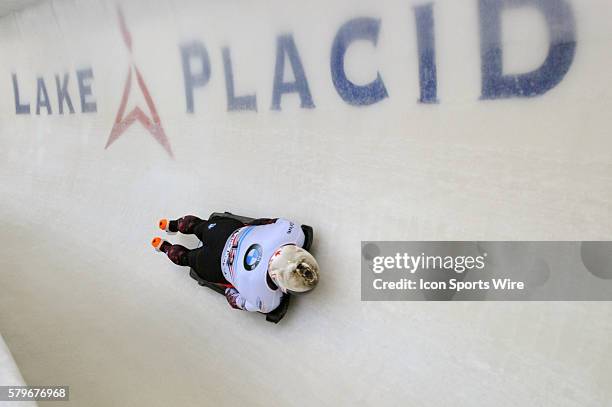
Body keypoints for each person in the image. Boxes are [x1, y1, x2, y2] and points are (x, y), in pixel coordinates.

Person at [151, 215, 319, 313]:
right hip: (214, 264)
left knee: (197, 225)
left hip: (225, 231)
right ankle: (165, 247)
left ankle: (172, 225)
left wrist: (247, 230)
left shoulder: (293, 232)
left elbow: (262, 222)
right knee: (186, 257)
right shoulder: (266, 301)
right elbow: (232, 298)